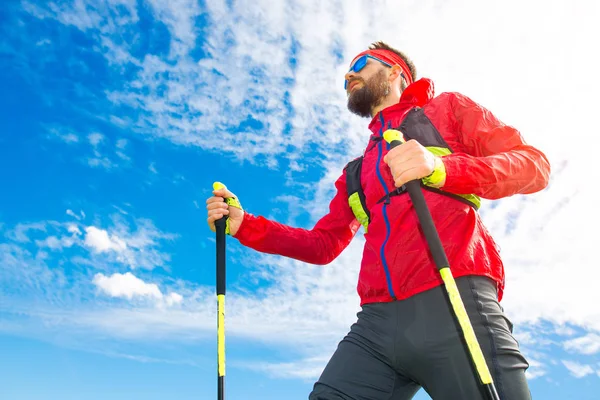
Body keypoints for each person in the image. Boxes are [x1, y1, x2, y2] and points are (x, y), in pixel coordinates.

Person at [206, 41, 550, 400]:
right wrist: (243, 224)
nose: (349, 75)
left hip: (454, 300)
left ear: (395, 72)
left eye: (361, 64)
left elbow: (533, 165)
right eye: (346, 74)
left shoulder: (447, 110)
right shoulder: (356, 172)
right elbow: (323, 245)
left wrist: (440, 168)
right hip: (377, 326)